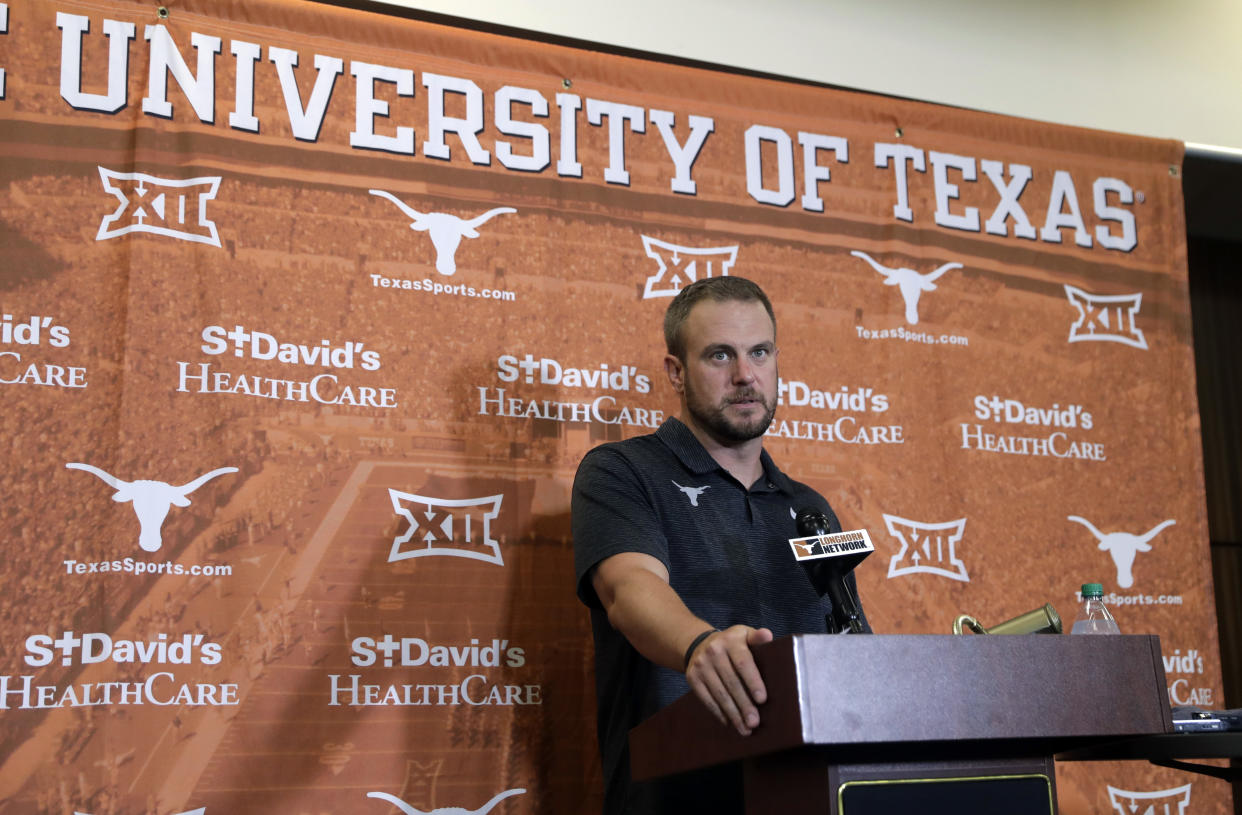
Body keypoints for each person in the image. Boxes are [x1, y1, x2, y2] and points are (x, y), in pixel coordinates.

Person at [572, 276, 869, 815]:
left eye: (759, 352)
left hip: (813, 797)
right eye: (719, 356)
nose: (744, 375)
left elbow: (851, 646)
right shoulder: (621, 471)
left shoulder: (809, 508)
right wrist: (697, 646)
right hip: (674, 799)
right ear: (676, 372)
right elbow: (628, 587)